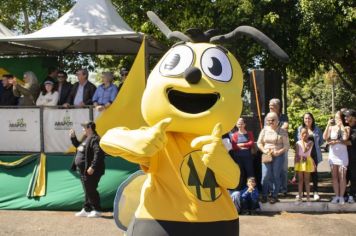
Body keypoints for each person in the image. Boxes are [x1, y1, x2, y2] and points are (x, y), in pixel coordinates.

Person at [70, 121, 105, 218]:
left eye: (84, 127)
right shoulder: (86, 138)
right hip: (83, 170)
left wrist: (93, 166)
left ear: (89, 128)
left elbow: (99, 153)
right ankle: (86, 209)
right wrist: (73, 137)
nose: (82, 129)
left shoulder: (95, 139)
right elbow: (79, 147)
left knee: (91, 189)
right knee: (87, 189)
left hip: (92, 170)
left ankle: (97, 210)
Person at [257, 112, 290, 204]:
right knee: (265, 176)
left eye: (273, 120)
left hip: (278, 155)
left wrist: (279, 152)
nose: (271, 122)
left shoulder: (282, 131)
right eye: (269, 120)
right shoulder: (264, 130)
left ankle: (275, 195)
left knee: (276, 175)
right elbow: (259, 143)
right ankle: (264, 195)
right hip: (267, 154)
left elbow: (287, 146)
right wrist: (264, 150)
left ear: (278, 121)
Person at [296, 112, 324, 201]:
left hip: (314, 154)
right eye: (305, 118)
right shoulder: (300, 128)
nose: (307, 120)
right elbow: (298, 141)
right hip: (302, 155)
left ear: (312, 119)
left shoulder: (317, 129)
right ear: (303, 120)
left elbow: (321, 141)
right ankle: (302, 192)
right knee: (302, 173)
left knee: (314, 173)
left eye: (309, 118)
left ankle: (315, 192)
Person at [323, 111, 349, 204]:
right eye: (336, 118)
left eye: (339, 118)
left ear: (342, 118)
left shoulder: (346, 127)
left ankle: (341, 196)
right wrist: (328, 124)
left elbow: (345, 138)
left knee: (342, 176)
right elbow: (325, 137)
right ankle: (337, 196)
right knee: (334, 176)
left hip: (342, 155)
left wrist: (341, 125)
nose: (337, 119)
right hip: (333, 155)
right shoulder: (331, 127)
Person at [266, 98, 289, 195]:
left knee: (283, 169)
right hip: (269, 148)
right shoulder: (267, 116)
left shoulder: (284, 117)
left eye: (272, 106)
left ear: (278, 107)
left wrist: (274, 127)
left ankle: (284, 188)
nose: (270, 108)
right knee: (270, 170)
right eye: (269, 106)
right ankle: (273, 189)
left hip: (282, 147)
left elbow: (285, 127)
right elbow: (266, 129)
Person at [230, 118, 255, 189]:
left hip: (248, 157)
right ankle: (239, 188)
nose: (240, 125)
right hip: (238, 157)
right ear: (236, 125)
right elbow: (234, 146)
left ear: (244, 124)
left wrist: (241, 145)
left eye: (241, 123)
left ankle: (251, 188)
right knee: (240, 173)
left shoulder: (249, 133)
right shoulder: (234, 135)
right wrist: (244, 146)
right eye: (238, 124)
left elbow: (251, 143)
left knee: (250, 172)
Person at [295, 128, 315, 205]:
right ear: (300, 134)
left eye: (306, 133)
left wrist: (303, 141)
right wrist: (295, 165)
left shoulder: (310, 142)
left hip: (307, 162)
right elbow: (297, 155)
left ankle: (308, 198)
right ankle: (300, 197)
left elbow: (304, 150)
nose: (304, 135)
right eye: (303, 133)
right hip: (300, 162)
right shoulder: (297, 143)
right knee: (300, 180)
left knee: (307, 180)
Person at [345, 109, 356, 203]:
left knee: (353, 176)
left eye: (348, 116)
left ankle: (352, 195)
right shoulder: (347, 128)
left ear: (354, 118)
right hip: (345, 157)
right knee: (345, 176)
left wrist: (338, 141)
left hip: (353, 157)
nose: (346, 117)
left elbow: (350, 142)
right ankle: (344, 195)